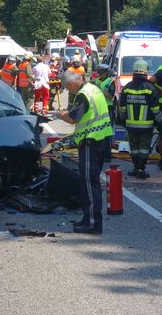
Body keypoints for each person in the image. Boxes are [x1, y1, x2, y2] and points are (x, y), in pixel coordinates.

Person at [54, 70, 113, 234]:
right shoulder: (94, 88)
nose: (69, 91)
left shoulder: (83, 95)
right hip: (100, 140)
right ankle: (88, 219)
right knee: (89, 183)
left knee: (89, 184)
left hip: (90, 142)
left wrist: (60, 115)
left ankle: (93, 224)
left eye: (67, 88)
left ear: (71, 84)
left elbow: (73, 118)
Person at [118, 59, 159, 178]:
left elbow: (122, 108)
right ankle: (141, 169)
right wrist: (160, 121)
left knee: (134, 148)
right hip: (146, 126)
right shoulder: (150, 88)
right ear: (145, 72)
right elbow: (155, 109)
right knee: (144, 149)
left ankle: (136, 168)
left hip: (130, 125)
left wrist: (123, 119)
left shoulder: (127, 88)